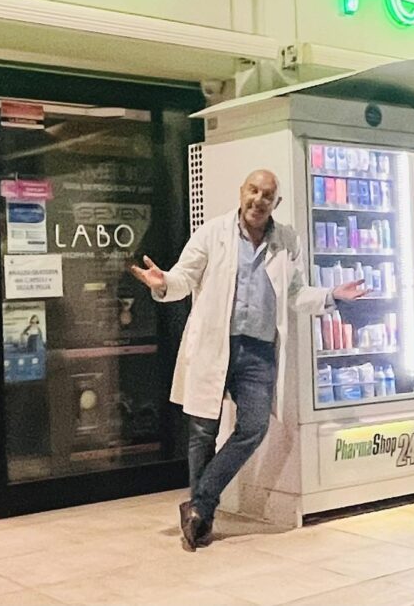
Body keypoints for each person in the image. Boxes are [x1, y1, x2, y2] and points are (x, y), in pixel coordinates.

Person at [130, 169, 365, 551]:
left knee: (254, 426)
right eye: (253, 191)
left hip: (258, 350)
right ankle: (202, 518)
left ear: (276, 203)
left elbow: (294, 292)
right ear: (242, 192)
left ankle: (199, 502)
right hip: (215, 344)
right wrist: (164, 283)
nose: (259, 200)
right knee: (203, 432)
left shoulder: (286, 239)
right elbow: (184, 278)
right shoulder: (213, 233)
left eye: (267, 195)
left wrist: (331, 295)